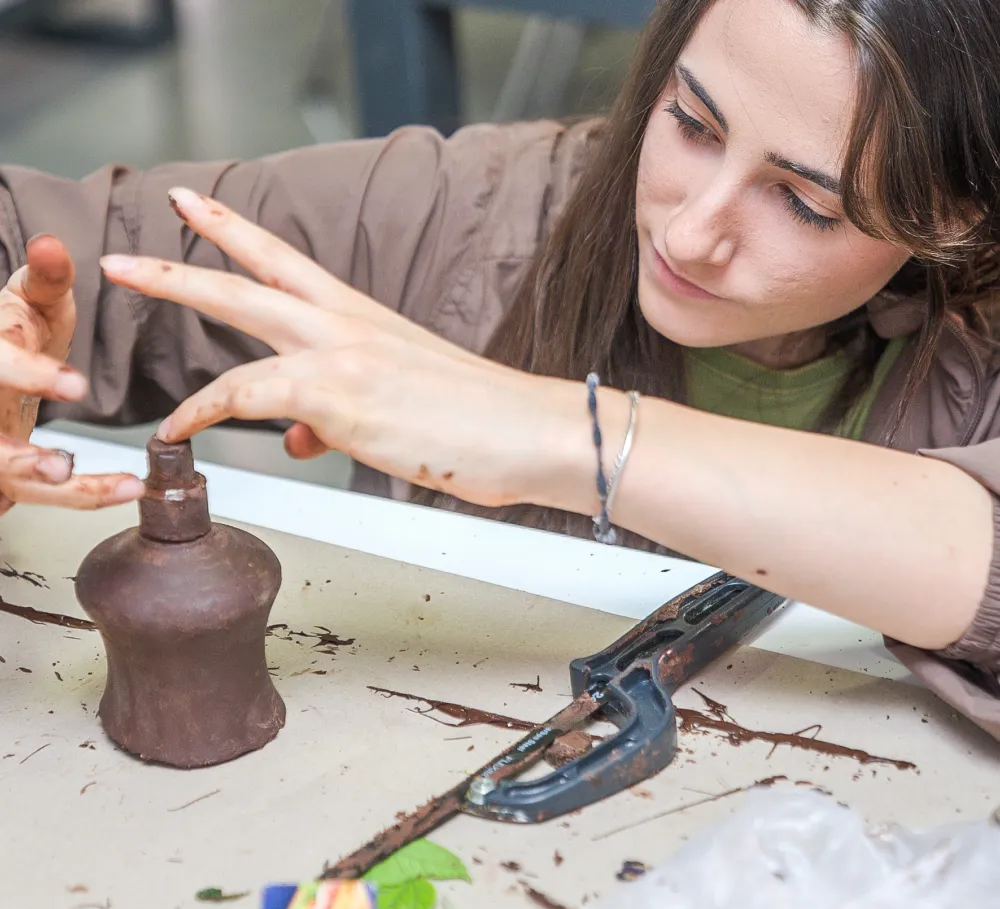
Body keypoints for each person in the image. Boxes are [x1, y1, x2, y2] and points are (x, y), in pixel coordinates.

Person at [0, 0, 998, 738]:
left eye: (804, 203)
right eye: (690, 122)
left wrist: (558, 433)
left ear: (954, 218)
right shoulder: (467, 216)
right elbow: (39, 234)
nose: (691, 234)